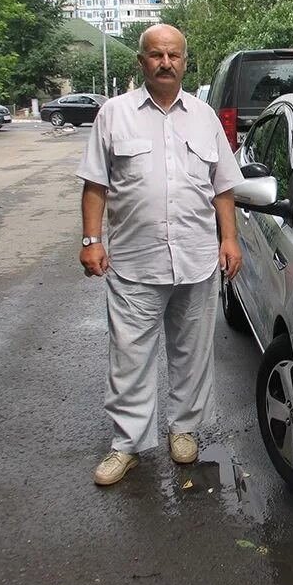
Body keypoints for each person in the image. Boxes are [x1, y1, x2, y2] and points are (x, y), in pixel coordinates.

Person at [77, 24, 244, 486]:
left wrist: (228, 240)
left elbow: (223, 187)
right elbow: (96, 184)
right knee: (129, 355)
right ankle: (126, 445)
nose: (165, 62)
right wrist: (92, 240)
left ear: (185, 62)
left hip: (195, 258)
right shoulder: (114, 115)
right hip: (134, 262)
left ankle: (184, 430)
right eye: (156, 55)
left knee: (191, 352)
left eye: (173, 55)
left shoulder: (205, 117)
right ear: (142, 61)